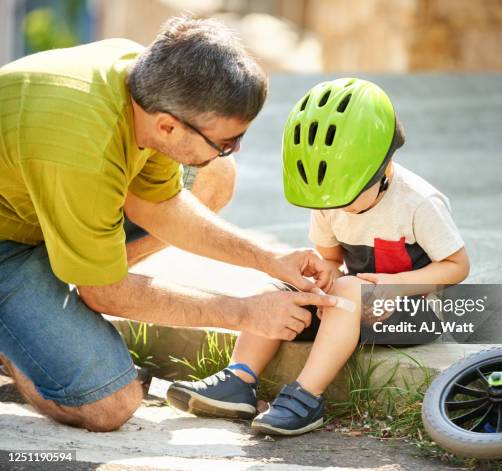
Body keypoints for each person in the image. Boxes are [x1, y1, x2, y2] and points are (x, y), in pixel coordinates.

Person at [0, 17, 337, 433]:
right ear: (167, 125)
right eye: (225, 141)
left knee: (213, 176)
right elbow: (105, 294)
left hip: (43, 206)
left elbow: (161, 206)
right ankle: (19, 338)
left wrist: (269, 259)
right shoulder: (81, 150)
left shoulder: (146, 86)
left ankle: (74, 274)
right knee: (110, 405)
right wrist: (245, 313)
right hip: (6, 245)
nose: (233, 149)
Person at [166, 78, 470, 435]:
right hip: (353, 304)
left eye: (346, 199)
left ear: (384, 168)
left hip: (415, 310)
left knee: (347, 291)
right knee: (283, 288)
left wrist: (396, 286)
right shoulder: (329, 197)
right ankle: (240, 379)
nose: (335, 208)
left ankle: (307, 397)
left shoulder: (418, 203)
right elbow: (332, 260)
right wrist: (321, 273)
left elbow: (458, 266)